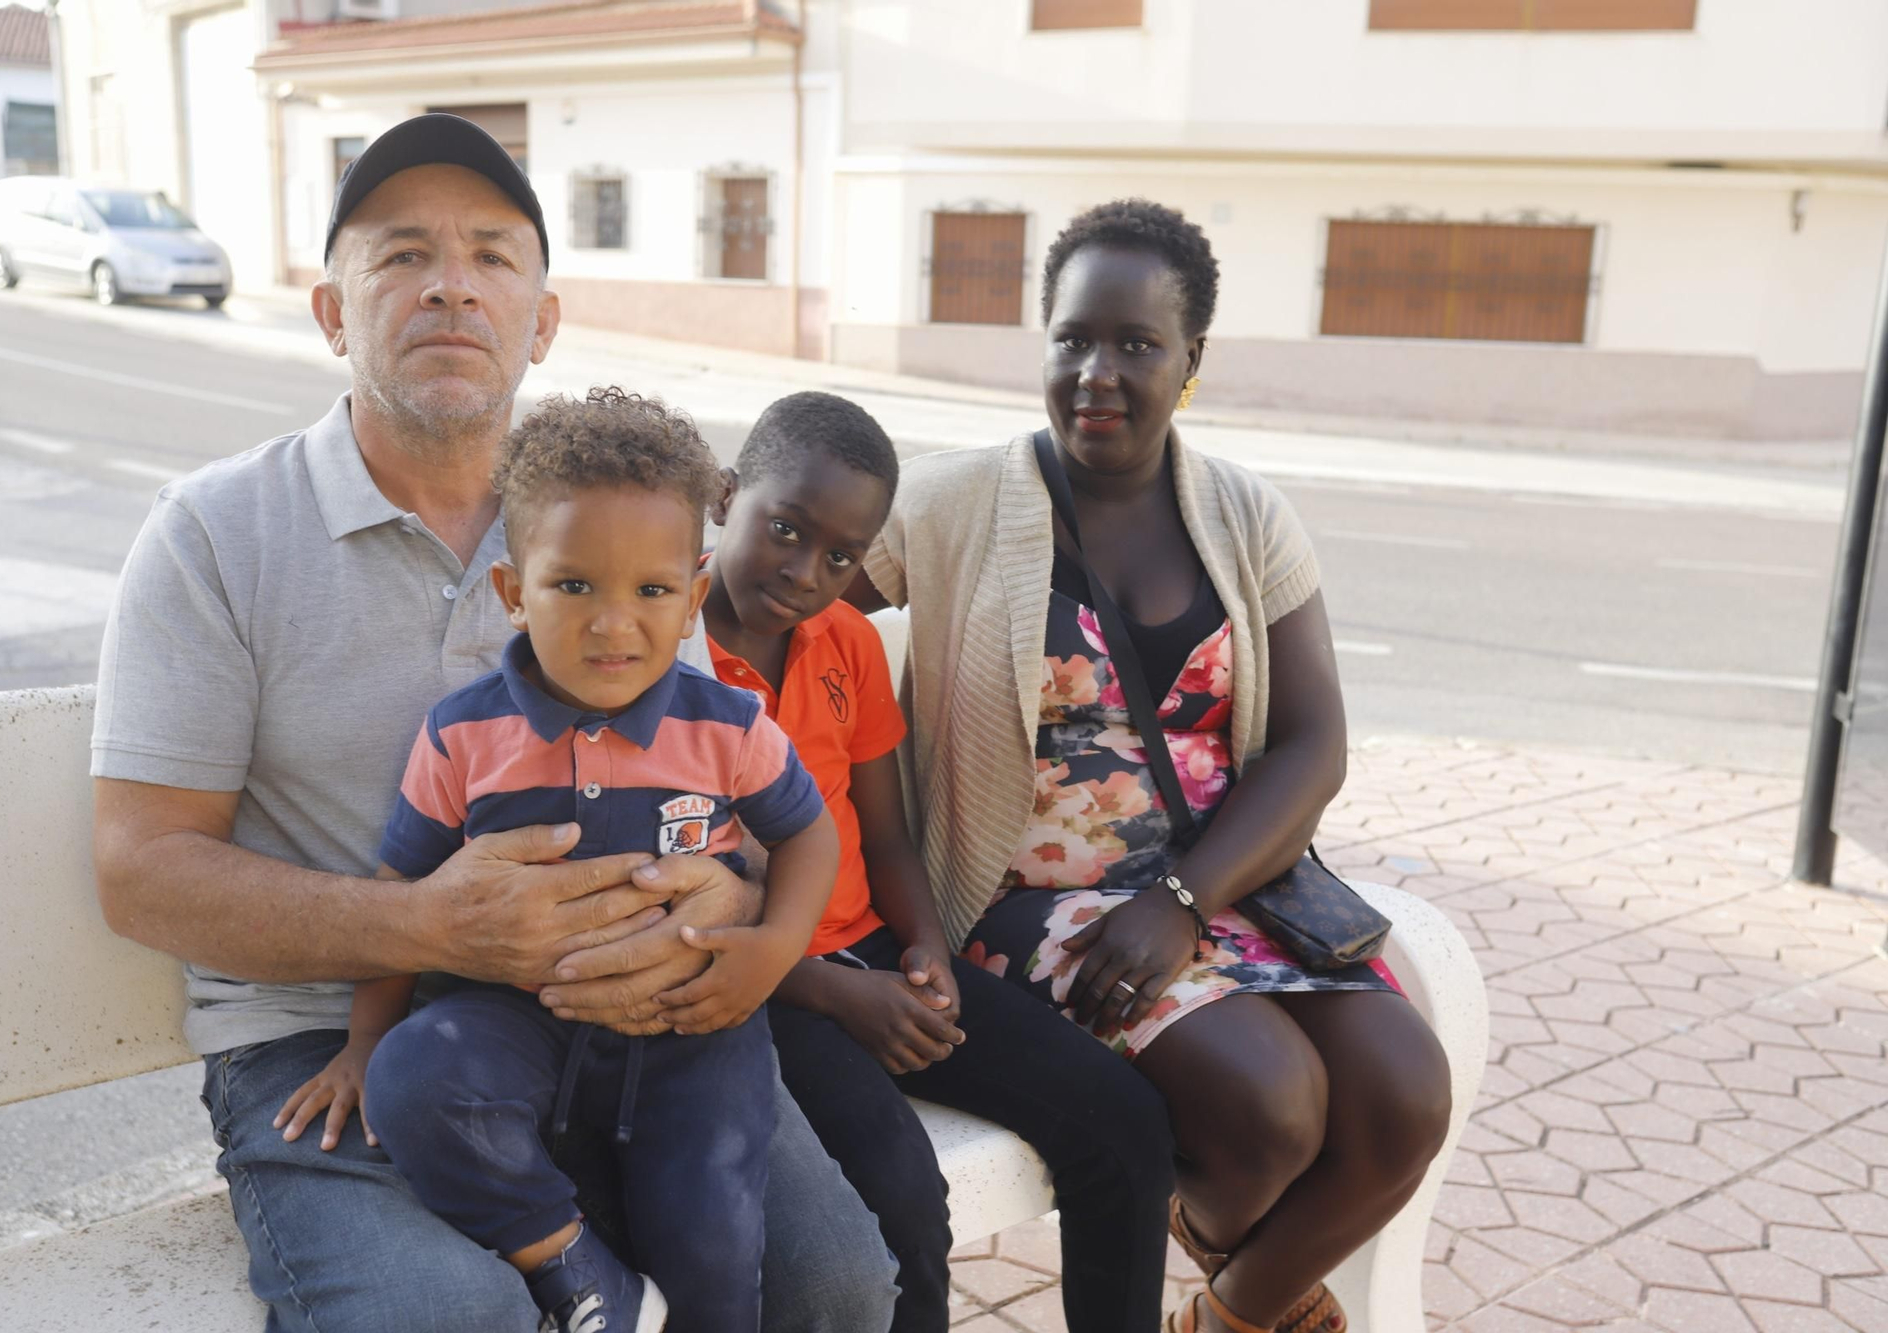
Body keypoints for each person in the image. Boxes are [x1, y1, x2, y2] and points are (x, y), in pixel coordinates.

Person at [88, 112, 897, 1333]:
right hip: (331, 1044)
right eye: (401, 253)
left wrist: (727, 896)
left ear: (543, 318)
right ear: (331, 312)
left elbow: (725, 781)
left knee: (836, 1281)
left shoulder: (616, 523)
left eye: (491, 256)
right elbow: (140, 872)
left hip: (642, 1006)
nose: (450, 287)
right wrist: (424, 924)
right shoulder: (213, 536)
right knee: (453, 1318)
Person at [855, 199, 1454, 1333]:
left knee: (1404, 1093)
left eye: (1136, 345)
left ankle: (1229, 1312)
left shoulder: (1244, 514)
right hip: (1028, 905)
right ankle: (1251, 1277)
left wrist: (1185, 900)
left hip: (1219, 883)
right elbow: (774, 602)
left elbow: (1312, 743)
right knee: (1273, 1107)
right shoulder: (949, 503)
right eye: (1073, 337)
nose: (1097, 371)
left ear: (1190, 360)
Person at [270, 388, 840, 1333]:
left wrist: (776, 946)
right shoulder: (463, 736)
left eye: (652, 592)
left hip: (690, 1027)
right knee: (414, 1083)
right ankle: (577, 1274)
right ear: (513, 592)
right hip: (510, 1021)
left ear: (696, 595)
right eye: (574, 585)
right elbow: (399, 891)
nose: (614, 625)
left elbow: (809, 832)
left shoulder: (729, 726)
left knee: (716, 1243)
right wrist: (365, 1046)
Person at [702, 391, 1176, 1333]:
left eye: (840, 556)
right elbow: (676, 908)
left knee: (1123, 1127)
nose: (805, 572)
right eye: (785, 530)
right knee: (904, 1205)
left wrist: (924, 954)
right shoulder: (659, 652)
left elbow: (883, 836)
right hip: (759, 987)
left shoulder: (843, 644)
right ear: (726, 496)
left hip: (869, 952)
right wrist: (839, 997)